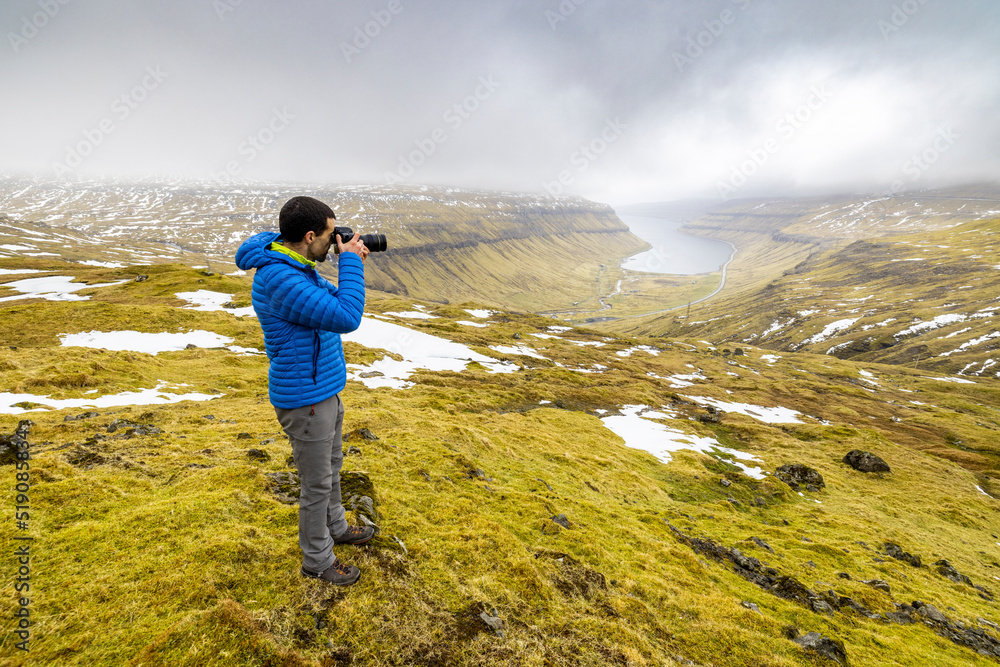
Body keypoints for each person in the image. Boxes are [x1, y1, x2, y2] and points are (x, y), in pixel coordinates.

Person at [235, 195, 373, 586]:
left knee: (331, 469)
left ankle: (337, 527)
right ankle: (318, 560)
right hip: (305, 399)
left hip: (323, 389)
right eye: (330, 235)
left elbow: (333, 300)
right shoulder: (281, 278)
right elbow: (347, 316)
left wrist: (344, 259)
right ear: (309, 235)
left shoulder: (297, 264)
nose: (334, 242)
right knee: (315, 485)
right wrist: (351, 262)